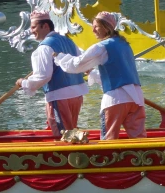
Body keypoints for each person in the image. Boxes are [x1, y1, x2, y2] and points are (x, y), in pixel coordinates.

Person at [53, 12, 146, 140]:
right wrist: (91, 72)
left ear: (106, 27)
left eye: (96, 26)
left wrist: (59, 57)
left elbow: (76, 65)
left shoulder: (102, 47)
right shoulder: (125, 44)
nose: (93, 30)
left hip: (115, 100)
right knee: (139, 138)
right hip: (136, 98)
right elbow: (117, 75)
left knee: (109, 139)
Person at [16, 11, 89, 137]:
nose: (31, 31)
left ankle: (65, 155)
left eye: (34, 27)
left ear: (45, 26)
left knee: (64, 135)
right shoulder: (69, 41)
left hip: (59, 96)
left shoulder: (44, 48)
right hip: (77, 95)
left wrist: (23, 83)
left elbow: (43, 76)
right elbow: (81, 64)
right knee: (71, 131)